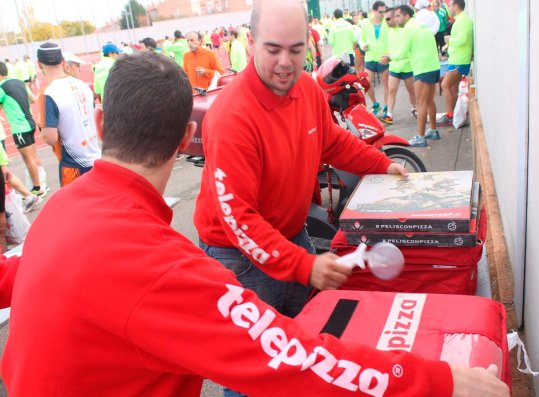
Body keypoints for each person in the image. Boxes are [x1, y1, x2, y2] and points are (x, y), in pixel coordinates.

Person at [1, 48, 509, 397]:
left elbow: (13, 273)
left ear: (102, 125)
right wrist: (442, 381)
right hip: (250, 259)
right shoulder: (156, 265)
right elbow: (287, 355)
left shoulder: (60, 211)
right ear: (185, 140)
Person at [37, 42, 100, 186]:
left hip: (73, 166)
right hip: (96, 158)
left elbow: (50, 138)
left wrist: (42, 127)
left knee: (78, 207)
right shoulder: (83, 85)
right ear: (63, 61)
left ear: (40, 64)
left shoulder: (48, 94)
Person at [382, 5, 441, 147]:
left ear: (406, 16)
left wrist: (390, 57)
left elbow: (402, 52)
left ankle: (420, 137)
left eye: (398, 16)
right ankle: (433, 130)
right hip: (433, 67)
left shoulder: (409, 28)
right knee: (429, 101)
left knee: (421, 103)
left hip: (422, 69)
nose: (395, 19)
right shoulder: (422, 25)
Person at [0, 61, 46, 197]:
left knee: (28, 159)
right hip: (30, 122)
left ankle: (37, 188)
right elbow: (33, 99)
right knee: (34, 156)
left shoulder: (1, 87)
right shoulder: (19, 82)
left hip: (20, 127)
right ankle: (42, 184)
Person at [437, 0, 474, 126]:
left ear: (456, 6)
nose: (449, 8)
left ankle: (450, 115)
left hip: (460, 60)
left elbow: (462, 40)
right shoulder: (461, 19)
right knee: (451, 87)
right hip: (457, 59)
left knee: (445, 85)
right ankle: (452, 114)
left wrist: (449, 40)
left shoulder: (463, 20)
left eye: (450, 6)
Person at [381, 8, 417, 124]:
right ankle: (389, 115)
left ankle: (414, 109)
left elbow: (406, 50)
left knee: (411, 90)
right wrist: (387, 55)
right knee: (391, 90)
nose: (386, 21)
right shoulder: (389, 31)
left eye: (388, 19)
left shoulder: (405, 30)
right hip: (394, 66)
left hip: (407, 65)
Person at [359, 1, 390, 116]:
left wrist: (390, 54)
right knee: (366, 83)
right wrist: (363, 46)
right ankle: (375, 104)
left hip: (383, 57)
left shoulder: (387, 23)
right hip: (370, 57)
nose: (383, 14)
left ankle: (387, 107)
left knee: (386, 83)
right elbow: (361, 39)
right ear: (374, 11)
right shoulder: (366, 23)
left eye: (384, 12)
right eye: (380, 12)